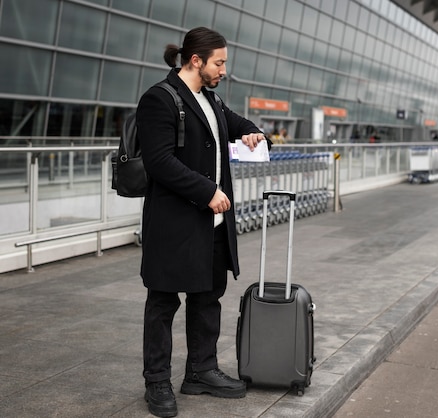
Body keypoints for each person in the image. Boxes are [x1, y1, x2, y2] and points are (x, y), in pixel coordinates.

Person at [136, 27, 269, 418]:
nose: (224, 69)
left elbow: (237, 123)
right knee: (163, 301)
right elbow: (159, 161)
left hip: (210, 224)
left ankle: (201, 370)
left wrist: (254, 135)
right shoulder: (159, 99)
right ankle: (157, 380)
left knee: (208, 295)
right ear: (196, 60)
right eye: (219, 62)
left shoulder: (210, 99)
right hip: (175, 221)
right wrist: (207, 191)